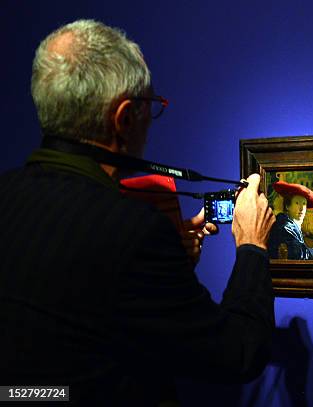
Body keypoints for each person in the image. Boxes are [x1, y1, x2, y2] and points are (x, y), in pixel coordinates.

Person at [0, 19, 276, 405]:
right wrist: (252, 247)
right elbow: (238, 354)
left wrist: (167, 271)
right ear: (125, 117)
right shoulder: (132, 231)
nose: (152, 118)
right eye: (151, 105)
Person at [267, 181, 313, 260]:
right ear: (287, 206)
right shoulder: (285, 226)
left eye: (304, 203)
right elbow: (297, 254)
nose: (301, 208)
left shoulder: (292, 225)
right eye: (297, 203)